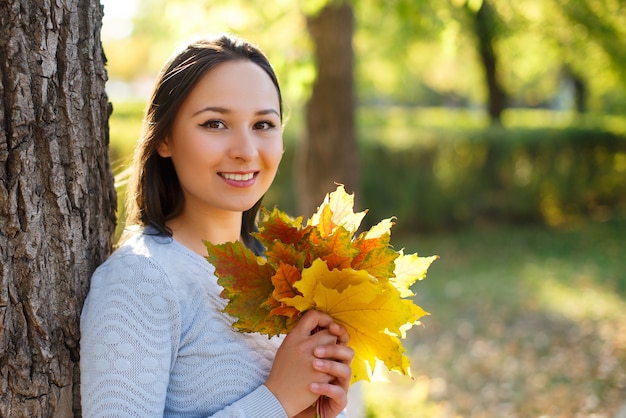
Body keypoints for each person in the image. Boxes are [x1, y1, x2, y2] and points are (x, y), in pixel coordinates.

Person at [80, 34, 354, 417]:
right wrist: (276, 401)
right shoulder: (141, 279)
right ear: (165, 139)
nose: (245, 150)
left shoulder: (285, 279)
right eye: (215, 123)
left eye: (263, 124)